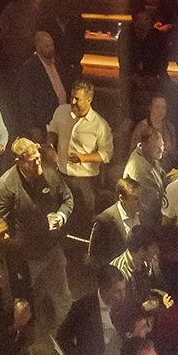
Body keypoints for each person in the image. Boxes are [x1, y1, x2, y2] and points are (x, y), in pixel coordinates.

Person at [0, 135, 73, 328]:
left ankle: (68, 340)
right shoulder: (7, 185)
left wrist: (61, 216)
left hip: (52, 249)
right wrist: (12, 247)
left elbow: (68, 198)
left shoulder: (50, 174)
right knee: (26, 304)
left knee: (64, 299)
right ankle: (26, 347)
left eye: (38, 157)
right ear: (20, 161)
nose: (38, 163)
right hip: (26, 258)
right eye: (32, 160)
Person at [48, 78, 113, 247]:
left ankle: (80, 256)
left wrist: (83, 158)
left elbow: (106, 154)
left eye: (78, 99)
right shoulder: (61, 111)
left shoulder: (100, 125)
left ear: (89, 99)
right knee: (59, 217)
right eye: (72, 97)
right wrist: (50, 144)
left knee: (82, 220)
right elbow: (53, 129)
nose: (73, 101)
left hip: (85, 181)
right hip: (61, 176)